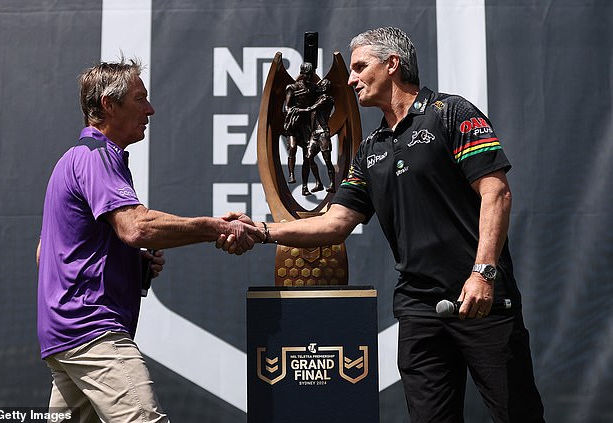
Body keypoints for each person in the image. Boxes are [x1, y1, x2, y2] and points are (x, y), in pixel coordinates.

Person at [221, 27, 545, 422]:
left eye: (359, 67)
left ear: (392, 65)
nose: (351, 79)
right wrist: (262, 231)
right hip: (419, 309)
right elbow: (335, 224)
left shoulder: (452, 112)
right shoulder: (370, 149)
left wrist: (483, 273)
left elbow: (496, 194)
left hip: (481, 299)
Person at [36, 59, 261, 422]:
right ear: (109, 104)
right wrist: (214, 227)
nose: (150, 109)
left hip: (66, 337)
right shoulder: (96, 157)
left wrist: (126, 261)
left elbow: (46, 254)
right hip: (93, 332)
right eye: (140, 99)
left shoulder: (75, 159)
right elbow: (136, 228)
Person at [283, 62, 336, 195]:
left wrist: (307, 109)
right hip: (295, 125)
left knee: (308, 157)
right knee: (294, 148)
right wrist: (296, 111)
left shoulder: (315, 90)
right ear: (301, 73)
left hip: (309, 128)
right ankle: (291, 174)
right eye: (305, 74)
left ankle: (308, 186)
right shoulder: (292, 87)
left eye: (310, 74)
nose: (308, 77)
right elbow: (287, 107)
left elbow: (322, 92)